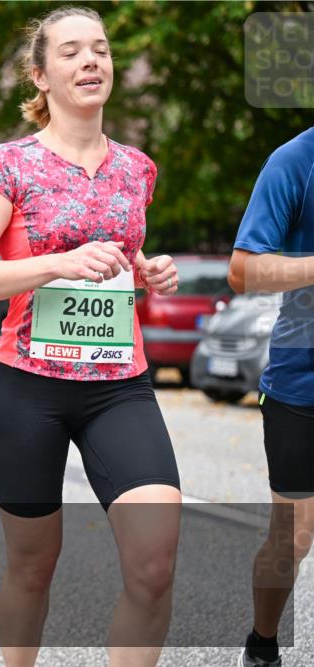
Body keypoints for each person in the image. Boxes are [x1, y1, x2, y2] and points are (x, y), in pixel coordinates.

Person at [0, 8, 183, 666]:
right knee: (32, 565)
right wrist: (57, 261)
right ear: (41, 75)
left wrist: (149, 270)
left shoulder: (138, 168)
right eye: (72, 52)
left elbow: (121, 261)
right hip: (26, 391)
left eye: (100, 50)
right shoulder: (10, 164)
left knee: (154, 564)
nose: (90, 61)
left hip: (119, 388)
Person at [227, 127, 314, 667]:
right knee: (294, 535)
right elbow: (243, 270)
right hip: (303, 378)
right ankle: (262, 644)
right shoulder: (294, 161)